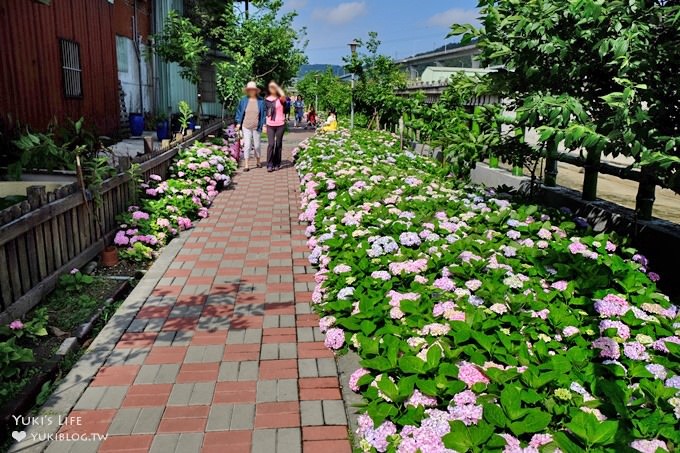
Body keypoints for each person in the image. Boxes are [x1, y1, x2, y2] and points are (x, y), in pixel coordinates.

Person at [234, 81, 266, 171]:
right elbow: (239, 112)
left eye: (253, 90)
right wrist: (238, 122)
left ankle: (258, 161)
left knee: (257, 146)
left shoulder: (261, 101)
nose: (251, 91)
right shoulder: (243, 100)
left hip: (257, 126)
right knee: (247, 145)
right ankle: (246, 165)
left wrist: (264, 124)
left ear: (256, 91)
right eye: (250, 90)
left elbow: (263, 114)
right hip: (246, 126)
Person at [265, 81, 287, 172]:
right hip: (270, 124)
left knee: (278, 144)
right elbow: (263, 113)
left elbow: (284, 97)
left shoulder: (280, 99)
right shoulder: (266, 100)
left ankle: (277, 163)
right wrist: (263, 125)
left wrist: (278, 89)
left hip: (280, 124)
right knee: (271, 144)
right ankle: (269, 164)